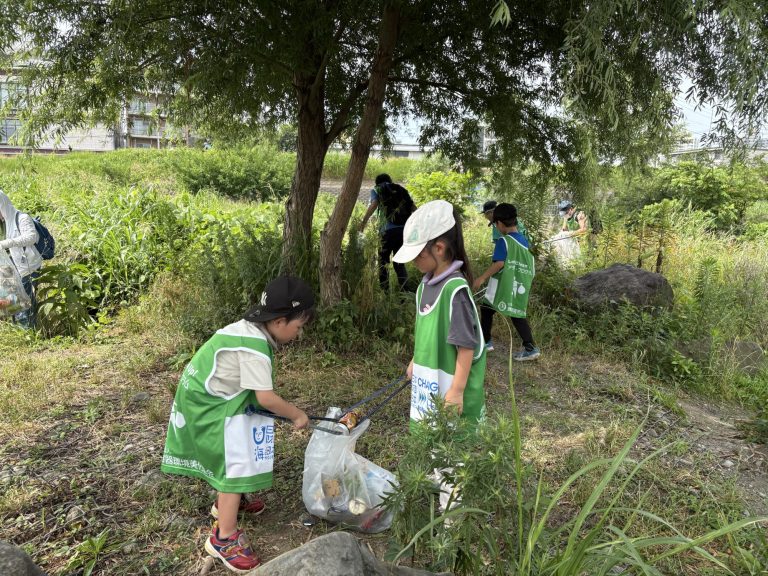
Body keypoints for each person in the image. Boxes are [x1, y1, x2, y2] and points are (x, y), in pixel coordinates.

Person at [161, 276, 315, 573]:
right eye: (299, 326)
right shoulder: (255, 346)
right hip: (207, 404)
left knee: (246, 427)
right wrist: (297, 414)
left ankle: (231, 502)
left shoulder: (251, 330)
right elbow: (266, 398)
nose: (300, 332)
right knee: (236, 461)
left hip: (204, 394)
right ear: (281, 321)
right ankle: (223, 537)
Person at [393, 199, 486, 431]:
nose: (414, 262)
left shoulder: (455, 291)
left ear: (439, 248)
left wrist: (456, 392)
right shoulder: (425, 286)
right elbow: (428, 334)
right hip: (430, 384)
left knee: (452, 454)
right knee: (430, 443)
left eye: (418, 255)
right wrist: (416, 360)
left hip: (450, 389)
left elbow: (466, 346)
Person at [473, 203, 540, 361]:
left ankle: (486, 342)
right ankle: (529, 347)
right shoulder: (525, 241)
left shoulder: (504, 242)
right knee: (516, 313)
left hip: (502, 283)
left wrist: (481, 278)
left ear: (499, 224)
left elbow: (499, 263)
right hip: (520, 283)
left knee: (487, 308)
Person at [360, 173, 416, 291]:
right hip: (402, 230)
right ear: (390, 180)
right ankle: (405, 295)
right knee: (399, 263)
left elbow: (374, 204)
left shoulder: (377, 189)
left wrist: (363, 222)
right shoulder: (401, 189)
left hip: (386, 231)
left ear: (377, 182)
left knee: (383, 263)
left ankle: (384, 293)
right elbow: (413, 207)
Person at [0, 191, 42, 328]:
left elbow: (32, 237)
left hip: (29, 267)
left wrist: (6, 243)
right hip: (17, 267)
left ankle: (29, 331)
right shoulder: (7, 222)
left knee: (25, 304)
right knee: (16, 301)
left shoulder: (22, 218)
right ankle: (25, 330)